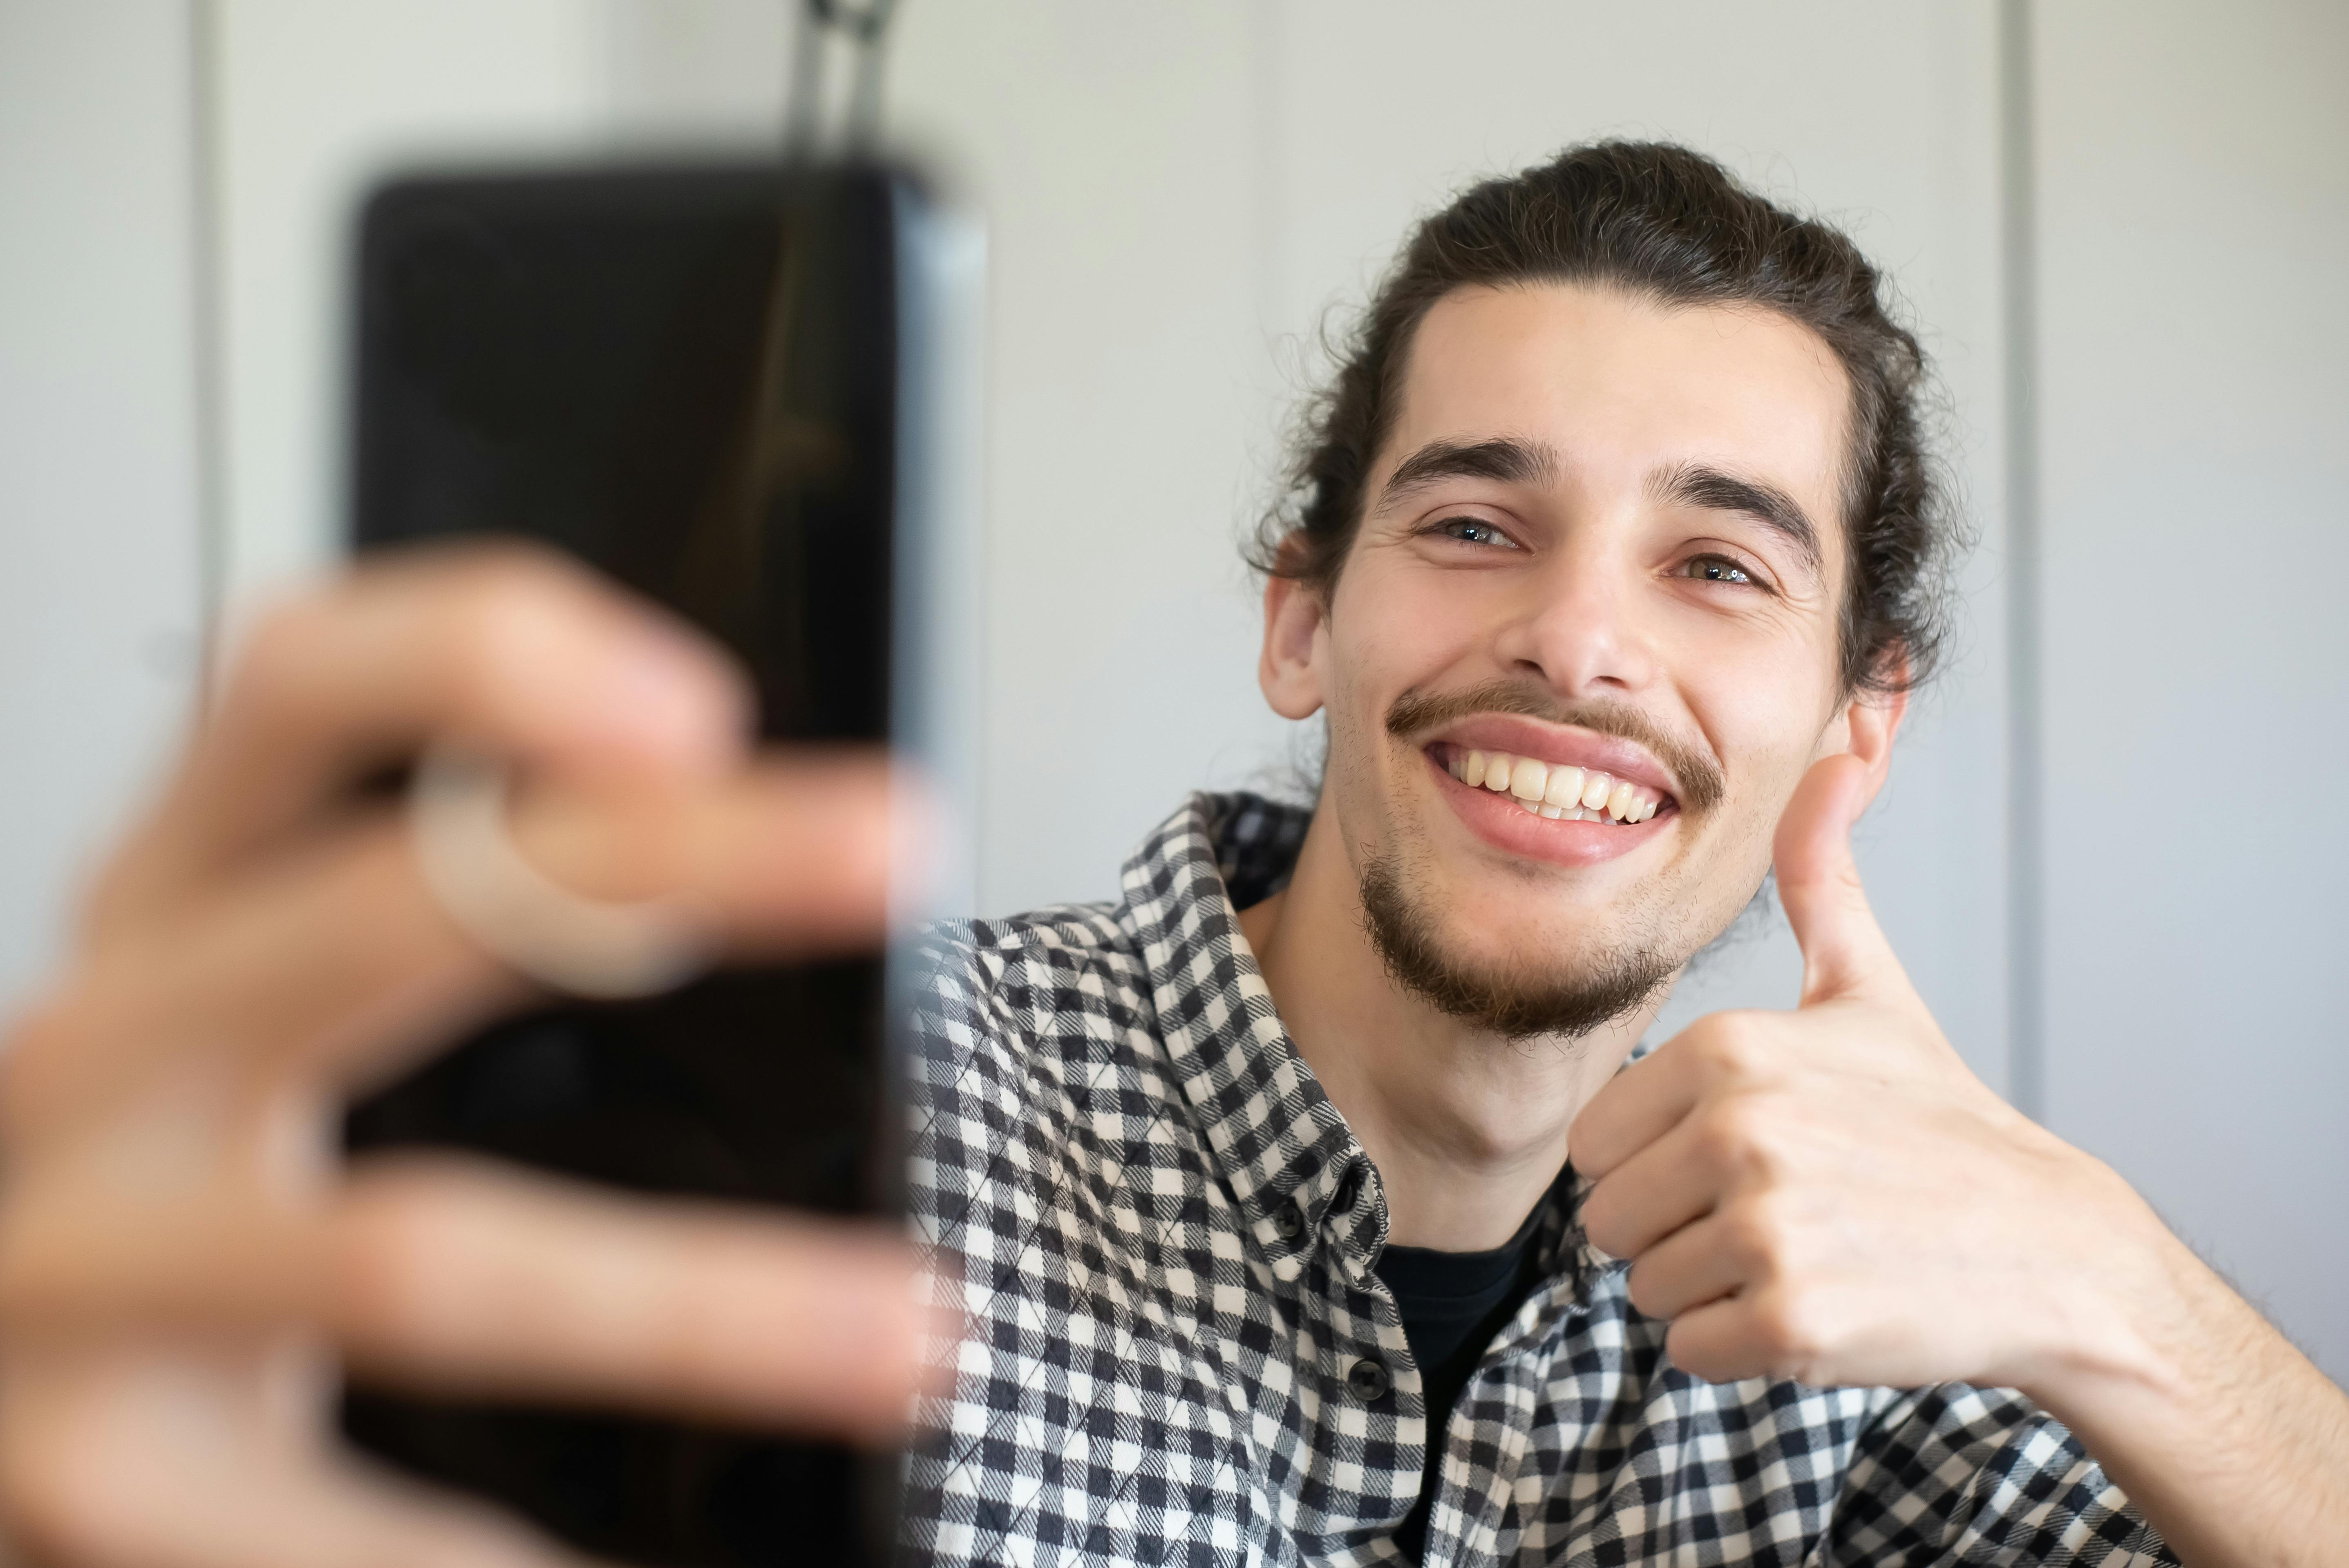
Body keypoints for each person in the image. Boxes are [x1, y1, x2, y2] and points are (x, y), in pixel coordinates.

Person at [0, 141, 2341, 1568]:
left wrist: (2110, 1288)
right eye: (1472, 519)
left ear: (1856, 729)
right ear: (1298, 617)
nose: (1572, 643)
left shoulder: (1907, 1297)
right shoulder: (832, 1111)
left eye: (1717, 568)